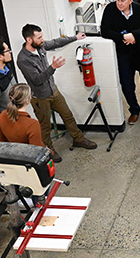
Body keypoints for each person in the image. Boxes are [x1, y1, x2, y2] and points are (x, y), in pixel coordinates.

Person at [16, 24, 97, 161]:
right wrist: (53, 67)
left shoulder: (40, 46)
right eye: (39, 37)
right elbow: (37, 80)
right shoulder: (23, 60)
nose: (43, 39)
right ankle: (49, 150)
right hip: (40, 97)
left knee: (68, 115)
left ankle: (78, 139)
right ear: (29, 40)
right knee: (45, 126)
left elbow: (55, 42)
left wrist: (75, 37)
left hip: (54, 91)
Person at [100, 0, 140, 122]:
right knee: (127, 84)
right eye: (117, 0)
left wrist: (134, 36)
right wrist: (123, 37)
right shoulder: (110, 10)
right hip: (124, 53)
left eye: (122, 1)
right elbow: (104, 31)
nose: (119, 3)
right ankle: (134, 110)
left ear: (130, 0)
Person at [0, 84, 45, 149]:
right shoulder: (32, 124)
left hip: (11, 154)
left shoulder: (3, 115)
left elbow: (0, 142)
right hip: (26, 157)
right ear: (27, 100)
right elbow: (37, 151)